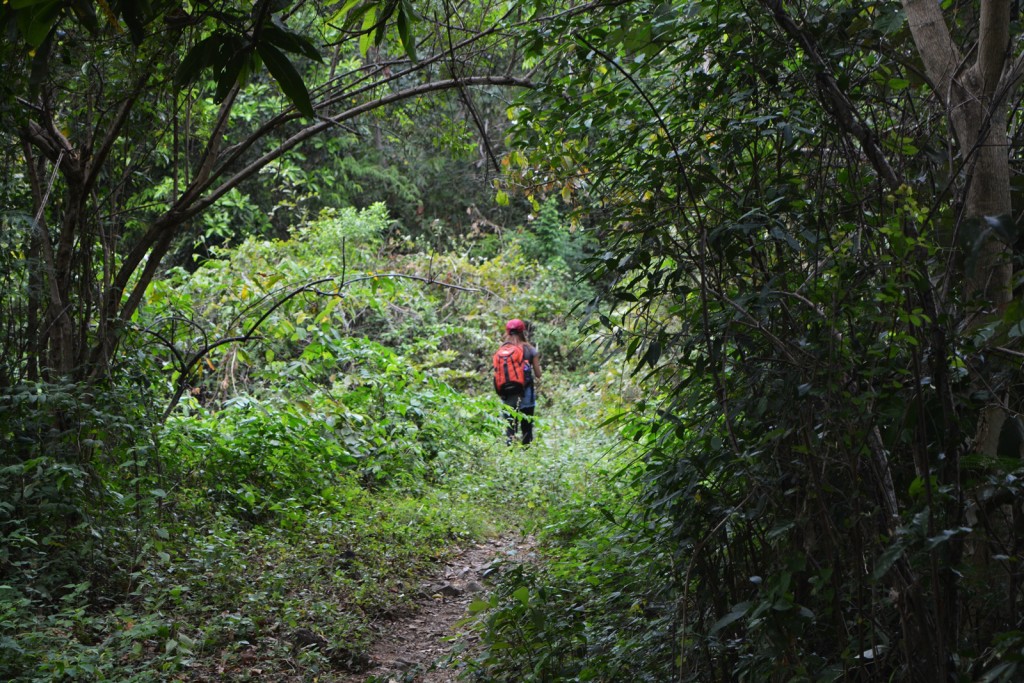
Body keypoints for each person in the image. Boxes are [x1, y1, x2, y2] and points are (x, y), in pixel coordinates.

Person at [498, 318, 541, 445]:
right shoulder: (531, 350)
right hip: (526, 394)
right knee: (526, 428)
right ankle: (526, 454)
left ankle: (510, 452)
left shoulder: (503, 350)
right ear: (523, 331)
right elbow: (538, 375)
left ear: (507, 332)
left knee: (510, 429)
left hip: (507, 395)